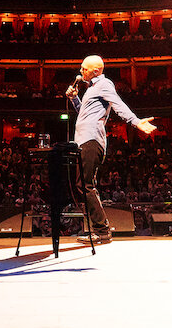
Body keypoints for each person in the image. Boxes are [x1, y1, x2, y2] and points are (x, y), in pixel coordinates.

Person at [65, 55, 157, 241]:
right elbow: (84, 114)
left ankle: (102, 230)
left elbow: (118, 104)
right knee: (82, 185)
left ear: (96, 71)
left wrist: (135, 121)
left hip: (91, 140)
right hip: (84, 141)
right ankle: (99, 229)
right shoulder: (91, 89)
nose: (81, 71)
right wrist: (75, 99)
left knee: (85, 185)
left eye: (84, 68)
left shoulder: (104, 84)